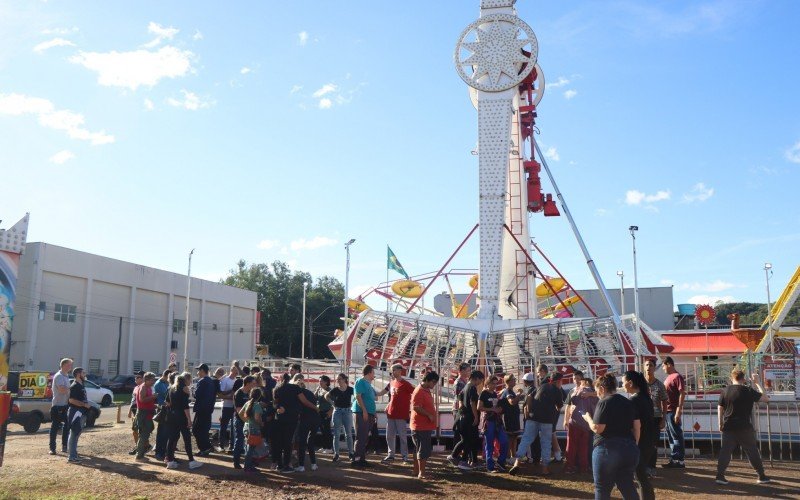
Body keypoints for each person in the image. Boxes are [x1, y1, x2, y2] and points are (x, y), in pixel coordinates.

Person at [582, 374, 640, 500]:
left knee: (602, 488)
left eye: (597, 391)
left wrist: (588, 419)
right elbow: (637, 426)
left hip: (607, 448)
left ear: (602, 389)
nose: (597, 394)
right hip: (629, 448)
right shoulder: (628, 402)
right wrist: (634, 444)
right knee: (627, 486)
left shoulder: (604, 402)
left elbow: (598, 428)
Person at [715, 369, 771, 485]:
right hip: (744, 427)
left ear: (732, 378)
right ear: (743, 379)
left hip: (728, 426)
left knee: (725, 452)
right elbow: (766, 399)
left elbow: (720, 408)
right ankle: (761, 475)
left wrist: (720, 423)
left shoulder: (725, 391)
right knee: (752, 451)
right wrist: (757, 382)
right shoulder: (748, 391)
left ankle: (720, 476)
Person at [510, 368, 562, 475]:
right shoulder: (557, 390)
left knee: (525, 440)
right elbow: (559, 406)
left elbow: (529, 397)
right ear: (558, 381)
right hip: (547, 420)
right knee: (546, 443)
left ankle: (517, 463)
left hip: (533, 417)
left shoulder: (540, 386)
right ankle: (545, 469)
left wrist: (528, 412)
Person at [624, 370, 655, 500]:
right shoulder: (646, 398)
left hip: (639, 442)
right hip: (649, 441)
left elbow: (634, 425)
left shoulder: (633, 401)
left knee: (640, 476)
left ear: (630, 383)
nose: (623, 385)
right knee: (641, 476)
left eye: (624, 382)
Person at [165, 372, 203, 470]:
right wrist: (189, 420)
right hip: (181, 416)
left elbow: (167, 403)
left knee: (172, 438)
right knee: (187, 438)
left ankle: (170, 461)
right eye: (189, 380)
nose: (190, 381)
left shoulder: (171, 388)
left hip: (172, 416)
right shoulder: (185, 389)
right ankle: (191, 461)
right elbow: (185, 407)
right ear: (185, 380)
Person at [452, 370, 484, 469]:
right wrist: (476, 416)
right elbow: (472, 403)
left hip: (464, 416)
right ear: (477, 378)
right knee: (468, 440)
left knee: (469, 439)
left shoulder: (465, 387)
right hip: (469, 417)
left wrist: (462, 412)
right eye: (481, 380)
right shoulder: (472, 388)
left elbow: (460, 400)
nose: (480, 383)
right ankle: (462, 460)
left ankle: (471, 460)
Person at [383, 363, 415, 463]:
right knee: (389, 436)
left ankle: (404, 456)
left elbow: (415, 393)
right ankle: (391, 455)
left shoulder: (406, 384)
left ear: (399, 371)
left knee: (402, 436)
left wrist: (413, 407)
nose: (391, 373)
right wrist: (388, 405)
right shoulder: (392, 383)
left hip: (401, 414)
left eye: (393, 370)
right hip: (391, 414)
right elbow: (392, 397)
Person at [410, 371, 439, 480]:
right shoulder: (420, 391)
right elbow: (416, 407)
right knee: (423, 449)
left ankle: (416, 471)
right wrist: (429, 415)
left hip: (422, 425)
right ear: (428, 380)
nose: (434, 385)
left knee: (418, 448)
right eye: (434, 382)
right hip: (421, 426)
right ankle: (421, 473)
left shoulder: (424, 390)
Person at [479, 375, 509, 473]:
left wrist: (499, 410)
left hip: (497, 420)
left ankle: (501, 461)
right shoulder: (484, 393)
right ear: (488, 383)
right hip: (489, 420)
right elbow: (479, 407)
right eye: (493, 383)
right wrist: (492, 409)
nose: (495, 385)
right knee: (489, 443)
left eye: (496, 383)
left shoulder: (495, 394)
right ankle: (490, 466)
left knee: (504, 440)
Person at [273, 373, 302, 473]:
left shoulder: (277, 389)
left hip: (279, 418)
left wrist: (280, 409)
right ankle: (286, 465)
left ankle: (279, 465)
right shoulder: (295, 388)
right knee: (288, 442)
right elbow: (302, 401)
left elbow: (275, 403)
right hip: (291, 418)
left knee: (279, 442)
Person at [643, 359, 667, 476]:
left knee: (653, 443)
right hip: (642, 418)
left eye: (651, 365)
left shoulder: (659, 384)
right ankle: (642, 466)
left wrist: (664, 418)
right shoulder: (640, 384)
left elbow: (665, 401)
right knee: (642, 442)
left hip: (656, 417)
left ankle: (652, 467)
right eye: (646, 365)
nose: (648, 367)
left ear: (654, 368)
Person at [661, 357, 686, 469]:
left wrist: (678, 411)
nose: (663, 368)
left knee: (676, 435)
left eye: (663, 366)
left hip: (672, 411)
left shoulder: (677, 377)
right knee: (671, 436)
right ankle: (674, 458)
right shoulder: (669, 378)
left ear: (669, 364)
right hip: (668, 411)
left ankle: (679, 460)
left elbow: (682, 393)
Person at [352, 365, 377, 467]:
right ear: (370, 372)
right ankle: (357, 460)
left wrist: (373, 413)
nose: (374, 375)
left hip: (367, 413)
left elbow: (375, 396)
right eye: (373, 372)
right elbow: (358, 397)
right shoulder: (360, 381)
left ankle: (361, 459)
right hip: (361, 413)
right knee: (361, 437)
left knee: (364, 437)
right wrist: (364, 411)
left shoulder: (368, 384)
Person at [295, 376, 322, 472]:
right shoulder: (310, 392)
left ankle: (301, 465)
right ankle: (313, 464)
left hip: (305, 419)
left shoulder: (298, 394)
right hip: (315, 419)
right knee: (310, 442)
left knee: (302, 443)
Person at [326, 373, 355, 462]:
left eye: (339, 379)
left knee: (349, 434)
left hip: (347, 411)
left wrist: (353, 403)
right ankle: (336, 454)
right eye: (337, 379)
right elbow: (326, 396)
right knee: (337, 434)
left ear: (344, 379)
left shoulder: (351, 389)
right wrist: (333, 404)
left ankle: (351, 453)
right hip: (338, 411)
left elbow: (357, 397)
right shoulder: (335, 390)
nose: (337, 380)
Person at [447, 362, 471, 465]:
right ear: (461, 371)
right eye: (467, 370)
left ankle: (458, 455)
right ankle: (455, 456)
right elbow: (460, 397)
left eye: (469, 370)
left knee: (461, 434)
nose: (468, 372)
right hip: (458, 410)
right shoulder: (459, 382)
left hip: (460, 409)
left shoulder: (463, 381)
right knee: (459, 433)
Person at [66, 367, 91, 463]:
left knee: (77, 434)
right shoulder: (75, 385)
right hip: (75, 412)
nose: (85, 374)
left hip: (81, 412)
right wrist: (84, 405)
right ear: (78, 374)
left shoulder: (81, 385)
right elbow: (71, 400)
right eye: (83, 373)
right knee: (74, 434)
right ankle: (71, 457)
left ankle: (74, 454)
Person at [49, 357, 73, 455]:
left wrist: (69, 390)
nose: (70, 367)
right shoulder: (58, 376)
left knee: (67, 427)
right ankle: (52, 448)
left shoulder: (66, 376)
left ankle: (64, 446)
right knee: (55, 427)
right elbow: (62, 390)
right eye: (68, 365)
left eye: (71, 365)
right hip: (57, 405)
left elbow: (66, 390)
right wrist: (71, 390)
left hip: (65, 405)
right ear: (63, 365)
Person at [232, 375, 257, 469]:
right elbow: (239, 411)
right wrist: (247, 422)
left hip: (248, 421)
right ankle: (236, 462)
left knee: (249, 443)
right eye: (253, 383)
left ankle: (249, 463)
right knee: (239, 440)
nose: (255, 385)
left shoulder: (250, 393)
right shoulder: (239, 393)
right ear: (248, 383)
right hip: (240, 421)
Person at [134, 372, 158, 461]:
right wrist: (153, 397)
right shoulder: (143, 387)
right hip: (143, 414)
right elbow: (142, 399)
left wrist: (154, 405)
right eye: (152, 380)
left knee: (147, 432)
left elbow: (146, 401)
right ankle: (139, 456)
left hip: (147, 413)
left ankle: (141, 452)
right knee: (144, 434)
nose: (153, 382)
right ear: (147, 380)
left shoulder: (148, 387)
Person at [193, 363, 215, 456]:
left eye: (198, 370)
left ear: (202, 371)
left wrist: (193, 392)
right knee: (204, 430)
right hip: (208, 409)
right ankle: (206, 447)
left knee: (196, 429)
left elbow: (197, 395)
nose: (197, 372)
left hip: (201, 409)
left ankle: (205, 448)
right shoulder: (211, 381)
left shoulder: (202, 381)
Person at [240, 387, 264, 473]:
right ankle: (248, 467)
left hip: (247, 427)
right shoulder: (257, 405)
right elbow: (257, 418)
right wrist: (261, 424)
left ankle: (248, 466)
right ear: (259, 396)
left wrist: (246, 421)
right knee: (251, 449)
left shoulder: (247, 403)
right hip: (254, 429)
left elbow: (240, 413)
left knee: (248, 448)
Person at [499, 374, 522, 460]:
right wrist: (519, 394)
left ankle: (513, 455)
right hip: (509, 418)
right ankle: (508, 457)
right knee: (510, 437)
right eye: (513, 379)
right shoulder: (508, 391)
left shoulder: (510, 391)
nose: (515, 381)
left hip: (513, 417)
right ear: (508, 381)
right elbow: (512, 402)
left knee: (514, 437)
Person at [218, 364, 239, 452]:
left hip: (234, 407)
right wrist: (232, 392)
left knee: (233, 427)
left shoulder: (236, 380)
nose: (236, 372)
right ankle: (221, 445)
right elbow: (221, 393)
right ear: (232, 370)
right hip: (226, 406)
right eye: (235, 370)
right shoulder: (225, 380)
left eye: (237, 371)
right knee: (224, 426)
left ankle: (231, 446)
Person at [153, 369, 171, 461]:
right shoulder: (159, 384)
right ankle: (159, 452)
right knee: (162, 432)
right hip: (162, 409)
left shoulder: (166, 383)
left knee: (165, 432)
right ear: (166, 376)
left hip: (166, 409)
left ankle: (161, 451)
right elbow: (166, 396)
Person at [315, 375, 334, 452]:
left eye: (321, 381)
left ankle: (329, 447)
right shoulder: (319, 389)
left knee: (327, 430)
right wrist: (316, 391)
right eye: (319, 381)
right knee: (322, 430)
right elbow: (314, 398)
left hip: (327, 412)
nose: (320, 382)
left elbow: (334, 402)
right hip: (320, 411)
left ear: (326, 382)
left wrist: (331, 411)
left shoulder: (330, 391)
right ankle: (324, 446)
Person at [127, 372, 144, 455]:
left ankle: (143, 446)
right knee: (134, 430)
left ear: (142, 378)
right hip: (134, 409)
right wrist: (129, 411)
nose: (136, 379)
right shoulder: (135, 388)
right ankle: (137, 446)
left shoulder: (145, 388)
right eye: (136, 377)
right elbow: (132, 400)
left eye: (138, 377)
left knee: (140, 430)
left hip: (140, 410)